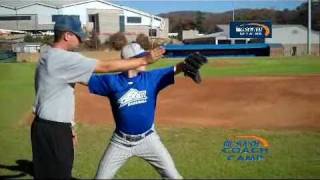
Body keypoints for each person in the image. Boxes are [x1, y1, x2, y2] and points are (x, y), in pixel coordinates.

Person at [31, 16, 164, 179]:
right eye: (78, 36)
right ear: (67, 35)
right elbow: (105, 66)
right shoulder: (64, 59)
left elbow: (55, 95)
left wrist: (70, 126)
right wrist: (144, 59)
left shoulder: (47, 55)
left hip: (42, 127)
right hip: (54, 130)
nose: (80, 40)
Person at [88, 43, 207, 179]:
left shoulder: (151, 78)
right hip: (120, 143)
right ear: (129, 61)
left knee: (174, 177)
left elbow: (175, 69)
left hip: (148, 139)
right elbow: (84, 77)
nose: (145, 60)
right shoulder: (112, 81)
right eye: (141, 57)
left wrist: (185, 64)